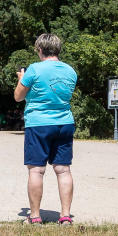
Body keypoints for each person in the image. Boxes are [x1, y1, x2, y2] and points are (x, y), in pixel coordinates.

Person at [14, 34, 78, 225]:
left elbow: (18, 96)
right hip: (64, 123)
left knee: (36, 171)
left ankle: (35, 216)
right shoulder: (70, 71)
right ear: (58, 50)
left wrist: (21, 79)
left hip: (39, 124)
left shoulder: (34, 69)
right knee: (63, 170)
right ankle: (65, 216)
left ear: (40, 50)